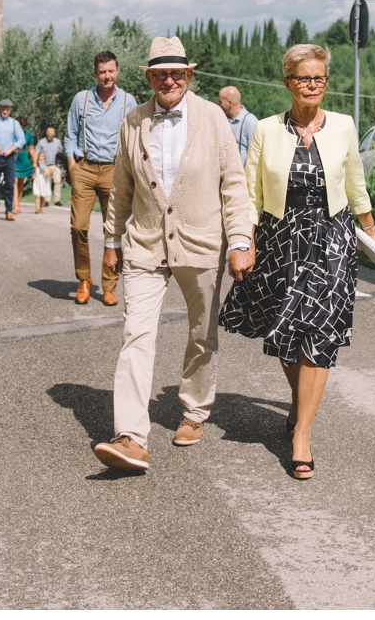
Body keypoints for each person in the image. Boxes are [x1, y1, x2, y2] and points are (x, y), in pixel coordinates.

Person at [220, 43, 375, 481]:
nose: (313, 86)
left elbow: (356, 184)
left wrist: (370, 230)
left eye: (319, 79)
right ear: (287, 82)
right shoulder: (266, 130)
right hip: (279, 239)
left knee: (322, 329)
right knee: (286, 329)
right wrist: (242, 242)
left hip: (331, 237)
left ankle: (302, 433)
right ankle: (299, 402)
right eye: (304, 79)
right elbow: (251, 194)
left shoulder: (344, 125)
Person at [92, 37, 253, 473]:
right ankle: (130, 436)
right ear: (147, 77)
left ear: (189, 76)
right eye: (160, 73)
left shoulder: (212, 118)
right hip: (144, 244)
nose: (169, 80)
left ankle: (195, 410)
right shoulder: (133, 122)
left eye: (177, 73)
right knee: (136, 335)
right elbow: (121, 191)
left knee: (202, 334)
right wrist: (110, 242)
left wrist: (240, 240)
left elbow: (233, 185)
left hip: (201, 243)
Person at [66, 51, 137, 305]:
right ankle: (84, 279)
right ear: (95, 73)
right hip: (84, 168)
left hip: (114, 170)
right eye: (102, 72)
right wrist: (72, 165)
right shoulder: (81, 99)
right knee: (78, 226)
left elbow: (135, 137)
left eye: (111, 71)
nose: (107, 76)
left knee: (114, 230)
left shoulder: (128, 101)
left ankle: (109, 285)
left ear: (117, 71)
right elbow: (70, 134)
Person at [219, 85, 257, 165]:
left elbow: (255, 153)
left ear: (230, 103)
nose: (218, 104)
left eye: (220, 102)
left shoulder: (250, 121)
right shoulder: (222, 119)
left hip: (242, 175)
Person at [34, 125, 64, 212]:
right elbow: (36, 153)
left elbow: (60, 152)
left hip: (55, 165)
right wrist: (36, 165)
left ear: (54, 133)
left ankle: (57, 199)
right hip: (44, 166)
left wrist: (60, 158)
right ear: (46, 133)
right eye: (48, 133)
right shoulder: (41, 142)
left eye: (51, 133)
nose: (50, 135)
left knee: (57, 181)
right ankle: (46, 200)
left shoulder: (58, 142)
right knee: (46, 182)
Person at [13, 120, 35, 215]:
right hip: (13, 158)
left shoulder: (27, 134)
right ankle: (16, 205)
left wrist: (35, 162)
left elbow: (31, 148)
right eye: (21, 127)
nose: (22, 129)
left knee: (21, 182)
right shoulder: (11, 132)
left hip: (23, 159)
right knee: (14, 181)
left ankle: (18, 202)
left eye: (24, 127)